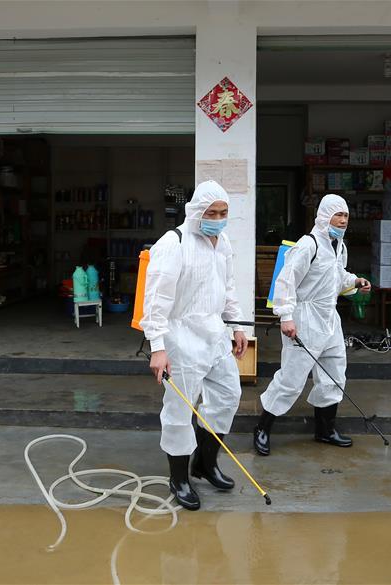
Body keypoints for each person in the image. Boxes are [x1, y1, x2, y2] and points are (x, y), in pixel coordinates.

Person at [141, 180, 248, 510]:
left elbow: (227, 286)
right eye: (211, 212)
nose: (217, 218)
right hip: (181, 336)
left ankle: (204, 462)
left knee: (229, 395)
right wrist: (157, 347)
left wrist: (236, 324)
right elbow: (155, 300)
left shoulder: (223, 240)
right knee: (179, 409)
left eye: (223, 212)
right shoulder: (174, 243)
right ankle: (179, 478)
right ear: (196, 211)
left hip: (215, 333)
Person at [253, 194, 370, 456]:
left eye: (346, 216)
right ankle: (262, 428)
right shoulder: (308, 244)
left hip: (329, 318)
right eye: (337, 214)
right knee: (292, 377)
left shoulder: (339, 246)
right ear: (323, 215)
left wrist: (356, 282)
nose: (342, 220)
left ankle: (325, 430)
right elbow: (286, 280)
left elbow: (338, 278)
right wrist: (286, 316)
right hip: (304, 318)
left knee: (334, 374)